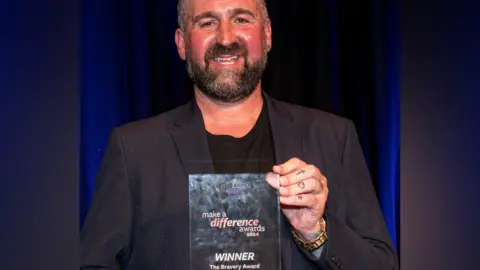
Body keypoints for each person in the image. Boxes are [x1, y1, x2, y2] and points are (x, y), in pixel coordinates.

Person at [80, 0, 399, 269]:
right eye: (206, 22)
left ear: (268, 34)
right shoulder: (133, 149)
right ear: (181, 43)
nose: (226, 37)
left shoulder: (333, 137)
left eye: (241, 19)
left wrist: (316, 233)